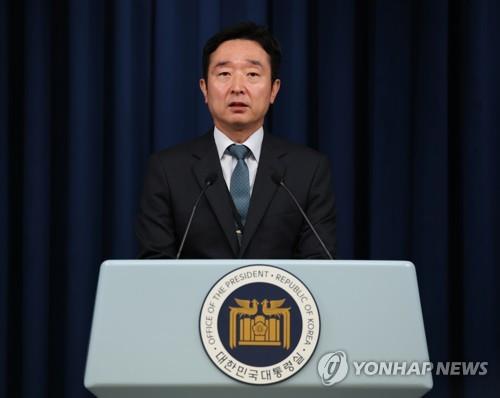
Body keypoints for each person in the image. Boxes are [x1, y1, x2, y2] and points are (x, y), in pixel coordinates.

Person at [136, 22, 336, 259]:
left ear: (273, 90)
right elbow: (156, 265)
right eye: (224, 74)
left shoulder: (309, 170)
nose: (237, 88)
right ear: (205, 90)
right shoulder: (167, 170)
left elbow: (319, 263)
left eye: (252, 74)